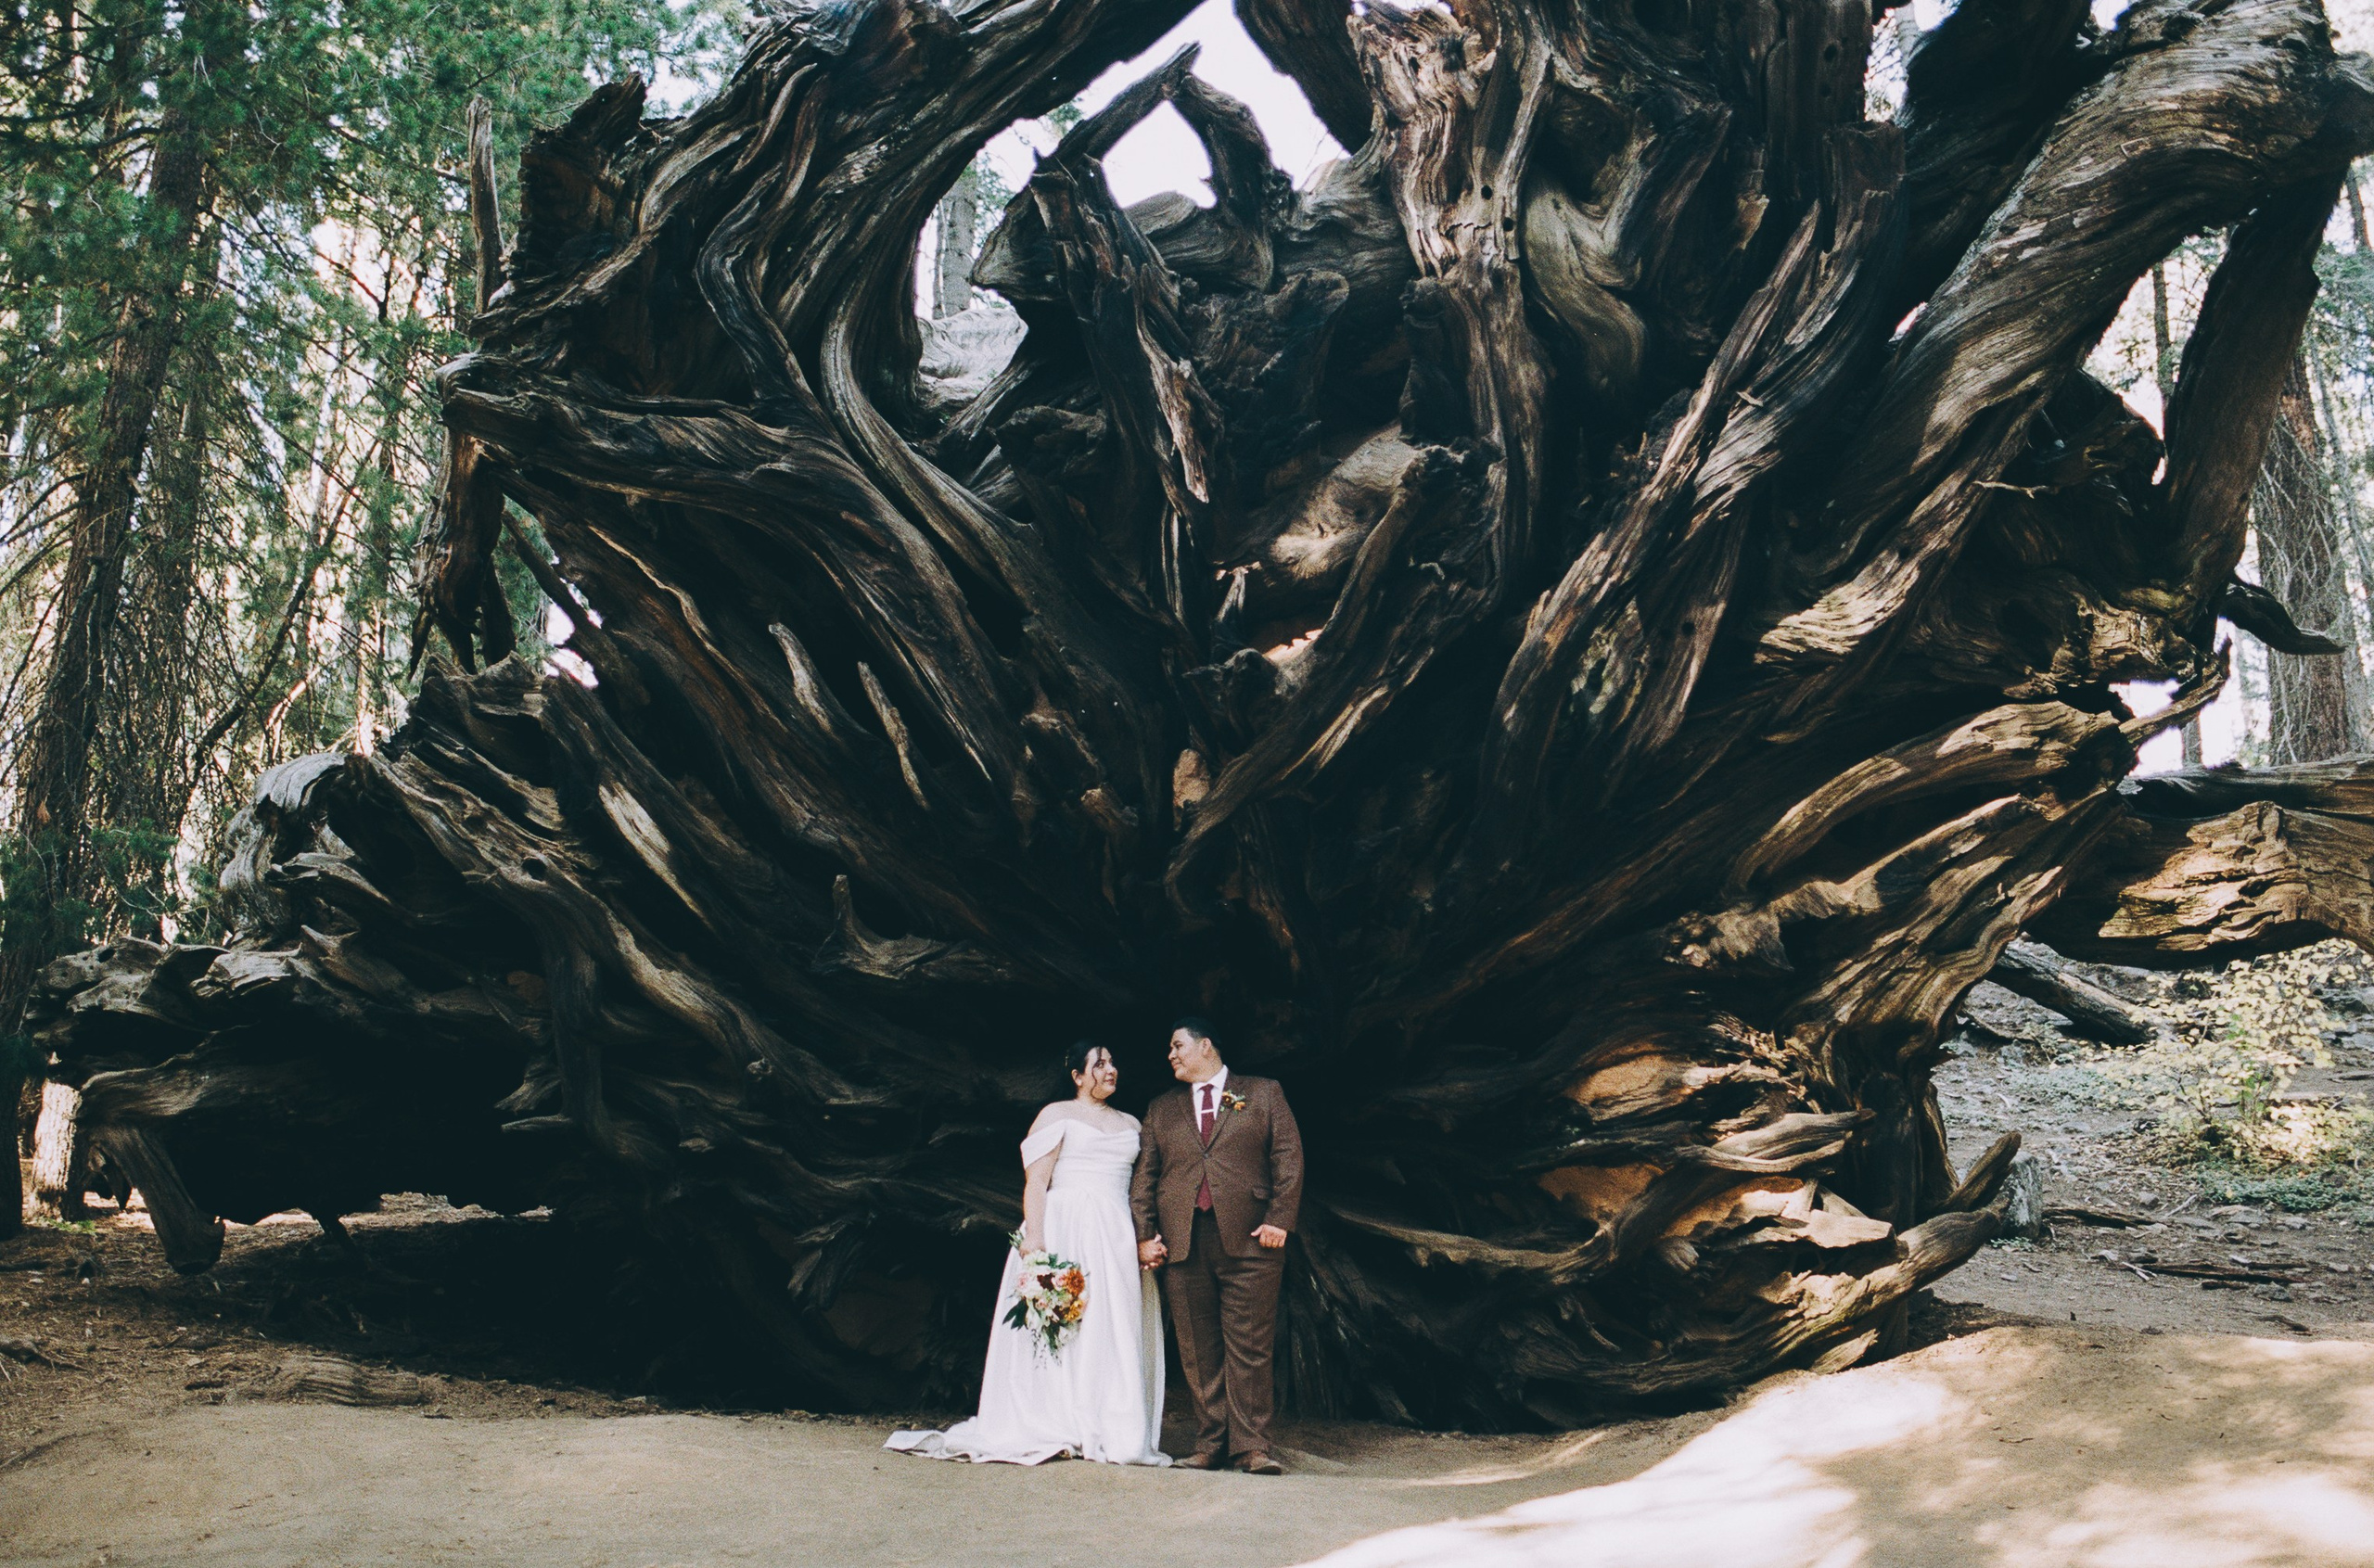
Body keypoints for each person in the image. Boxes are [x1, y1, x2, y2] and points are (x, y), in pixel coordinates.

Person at [884, 1041, 1169, 1466]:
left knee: (1112, 1323)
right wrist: (1035, 1238)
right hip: (1066, 1226)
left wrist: (1145, 1235)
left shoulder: (1131, 1123)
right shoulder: (1056, 1115)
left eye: (1112, 1062)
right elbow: (1036, 1182)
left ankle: (1108, 1420)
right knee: (1067, 1321)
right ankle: (1058, 1418)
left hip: (1114, 1232)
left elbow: (1142, 1186)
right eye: (1099, 1064)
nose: (1111, 1069)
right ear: (1077, 1076)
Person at [1131, 1017, 1304, 1475]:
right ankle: (1210, 1444)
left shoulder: (1263, 1093)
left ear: (1205, 1046)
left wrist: (1279, 1219)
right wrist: (1145, 1235)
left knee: (1250, 1347)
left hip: (1252, 1239)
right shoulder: (1161, 1108)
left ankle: (1251, 1448)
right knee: (1197, 1349)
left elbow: (1288, 1157)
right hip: (1183, 1241)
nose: (1170, 1055)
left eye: (1177, 1046)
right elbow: (1146, 1176)